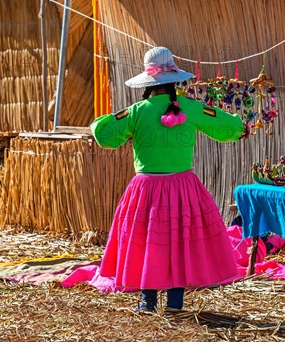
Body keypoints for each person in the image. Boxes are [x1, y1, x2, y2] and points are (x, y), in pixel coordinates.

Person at [90, 46, 246, 313]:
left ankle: (147, 302)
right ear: (175, 79)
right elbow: (230, 127)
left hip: (146, 189)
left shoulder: (137, 111)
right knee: (180, 240)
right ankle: (175, 303)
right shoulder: (191, 108)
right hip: (182, 187)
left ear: (148, 81)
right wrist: (240, 129)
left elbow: (103, 133)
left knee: (148, 240)